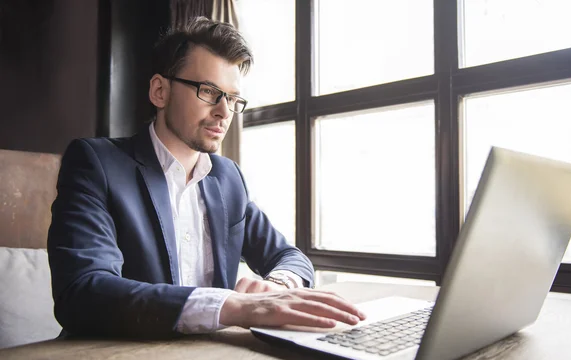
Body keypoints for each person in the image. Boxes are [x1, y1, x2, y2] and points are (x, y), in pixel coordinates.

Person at [48, 17, 365, 338]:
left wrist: (277, 285)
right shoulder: (96, 163)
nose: (224, 112)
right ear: (160, 91)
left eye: (232, 98)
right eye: (209, 91)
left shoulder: (228, 178)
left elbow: (288, 256)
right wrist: (233, 306)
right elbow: (83, 291)